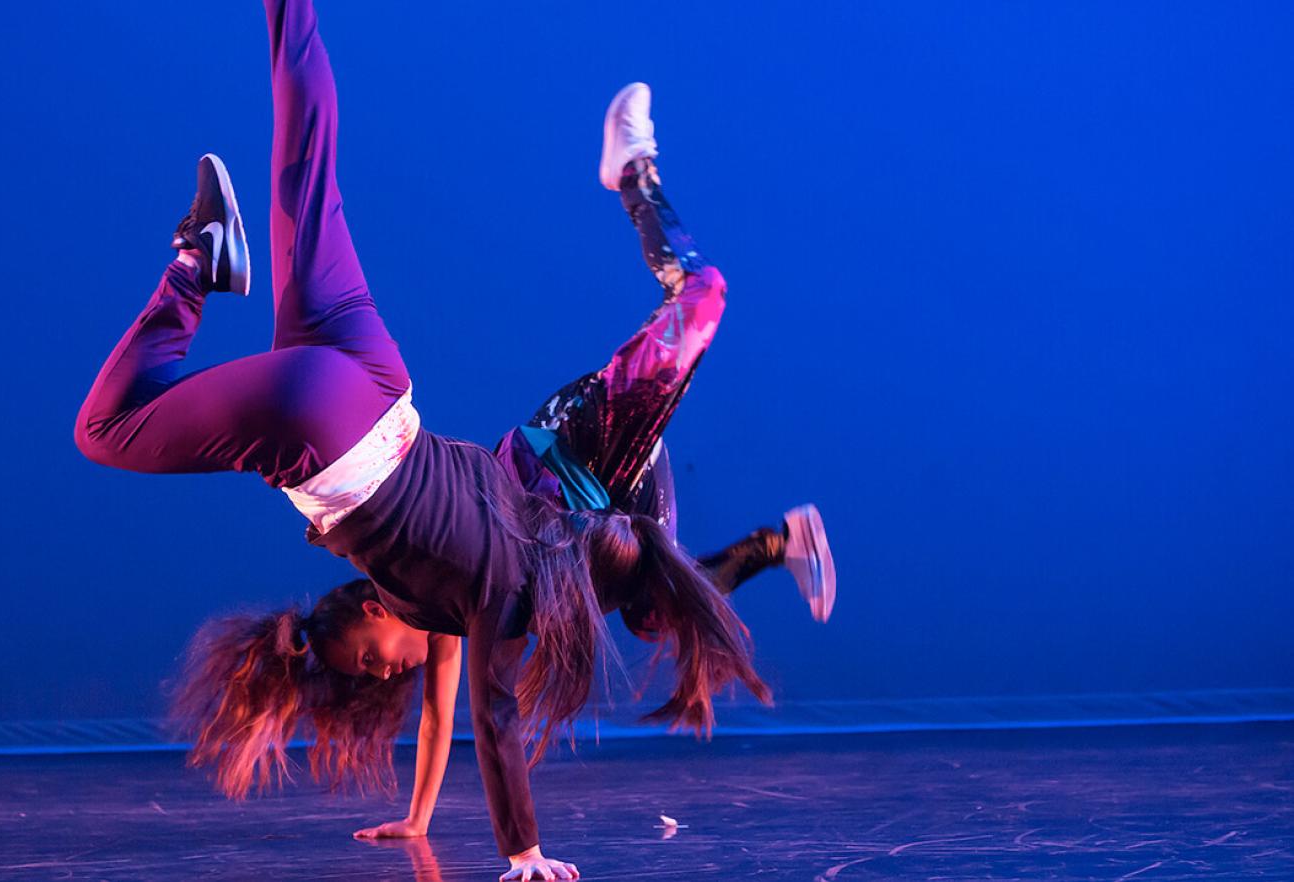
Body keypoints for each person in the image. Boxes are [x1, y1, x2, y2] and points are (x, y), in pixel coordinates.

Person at [73, 2, 831, 877]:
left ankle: (203, 255)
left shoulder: (482, 594)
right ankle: (200, 255)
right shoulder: (482, 596)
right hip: (383, 397)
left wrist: (505, 843)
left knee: (292, 188)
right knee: (302, 171)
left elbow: (473, 716)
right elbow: (477, 717)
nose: (400, 670)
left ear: (364, 616)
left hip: (356, 415)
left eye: (374, 665)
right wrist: (514, 849)